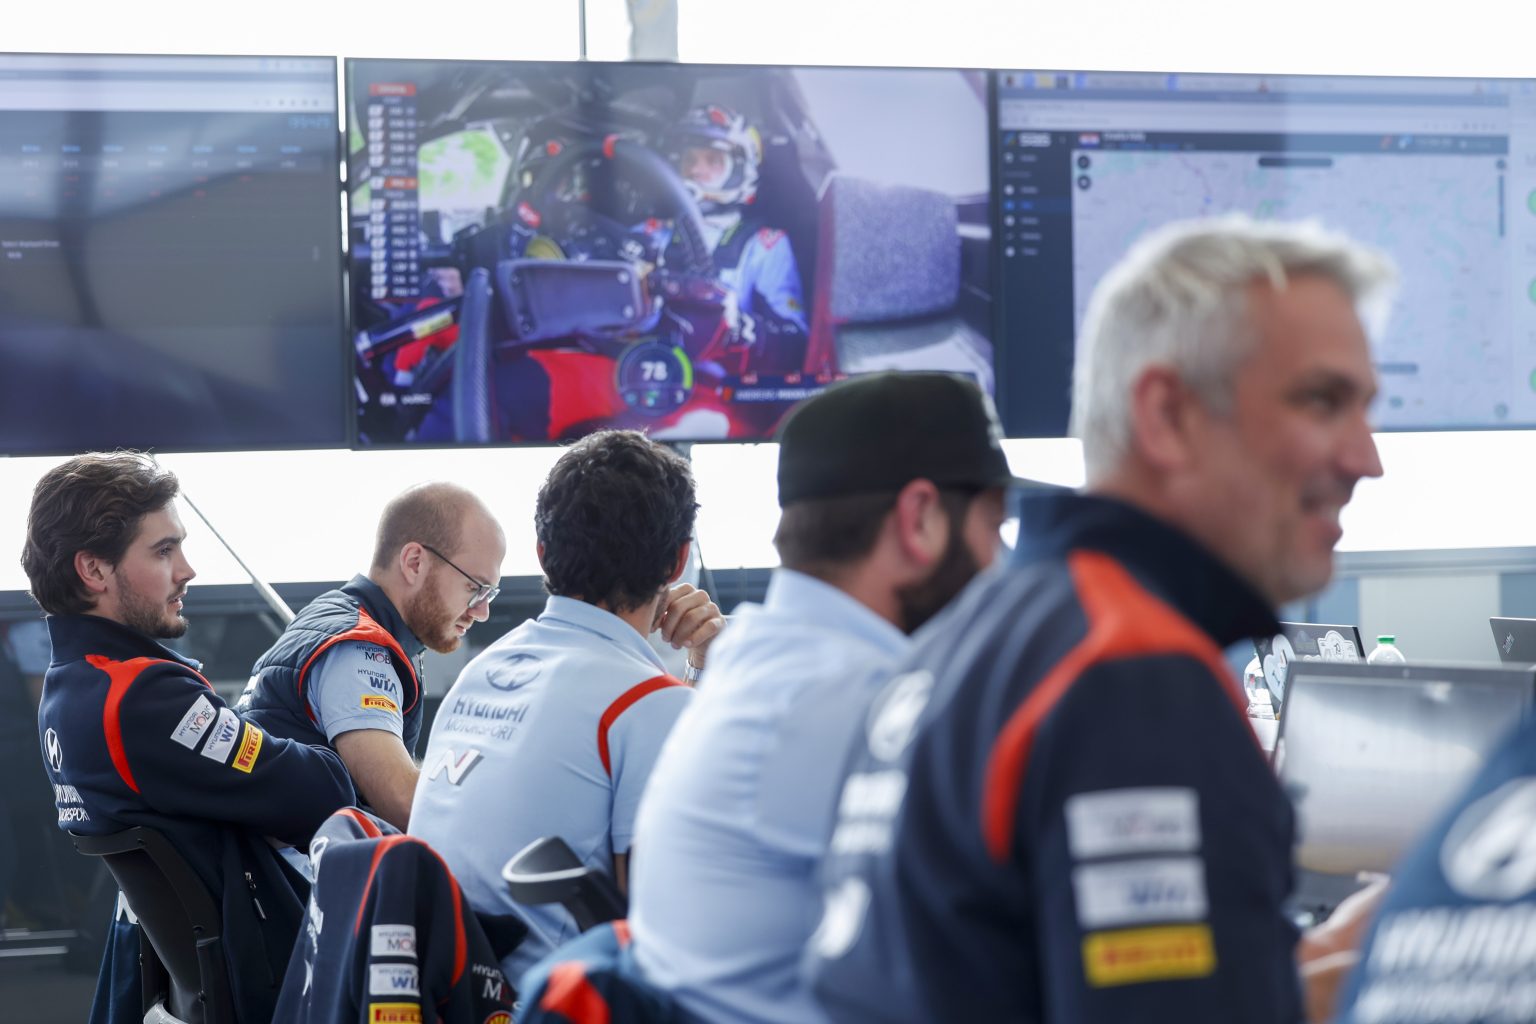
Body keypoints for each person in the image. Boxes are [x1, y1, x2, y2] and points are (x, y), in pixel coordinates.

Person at [806, 216, 1393, 1023]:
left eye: (1366, 408)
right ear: (1168, 416)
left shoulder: (967, 643)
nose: (1366, 458)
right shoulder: (1132, 678)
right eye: (1321, 401)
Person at [627, 371, 1012, 1024]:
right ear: (920, 521)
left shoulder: (762, 661)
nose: (1001, 564)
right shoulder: (859, 706)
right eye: (994, 529)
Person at [24, 451, 356, 1024]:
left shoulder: (69, 688)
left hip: (200, 985)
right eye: (163, 551)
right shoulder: (144, 697)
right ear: (94, 570)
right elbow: (325, 791)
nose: (187, 570)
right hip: (276, 980)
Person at [409, 429, 723, 983]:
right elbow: (667, 923)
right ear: (678, 562)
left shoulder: (482, 673)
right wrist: (705, 671)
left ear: (542, 553)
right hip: (549, 1004)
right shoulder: (648, 706)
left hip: (443, 992)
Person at [238, 482, 505, 829]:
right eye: (475, 588)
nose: (482, 611)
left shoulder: (334, 615)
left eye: (490, 594)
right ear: (414, 563)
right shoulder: (358, 649)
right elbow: (405, 806)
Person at [654, 102, 809, 376]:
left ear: (739, 170)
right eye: (689, 160)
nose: (696, 171)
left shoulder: (763, 245)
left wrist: (738, 330)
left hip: (712, 383)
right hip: (634, 370)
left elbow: (794, 339)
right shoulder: (650, 234)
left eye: (713, 161)